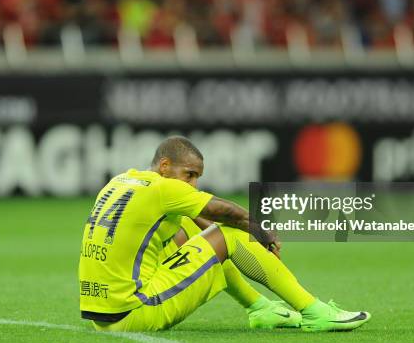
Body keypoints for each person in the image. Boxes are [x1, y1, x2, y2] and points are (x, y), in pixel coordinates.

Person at [79, 136, 371, 331]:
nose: (192, 184)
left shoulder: (122, 181)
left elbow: (198, 219)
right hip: (136, 311)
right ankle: (314, 312)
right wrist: (262, 233)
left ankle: (260, 308)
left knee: (191, 229)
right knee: (230, 233)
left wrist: (216, 240)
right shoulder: (164, 188)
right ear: (165, 166)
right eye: (189, 174)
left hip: (103, 315)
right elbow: (227, 212)